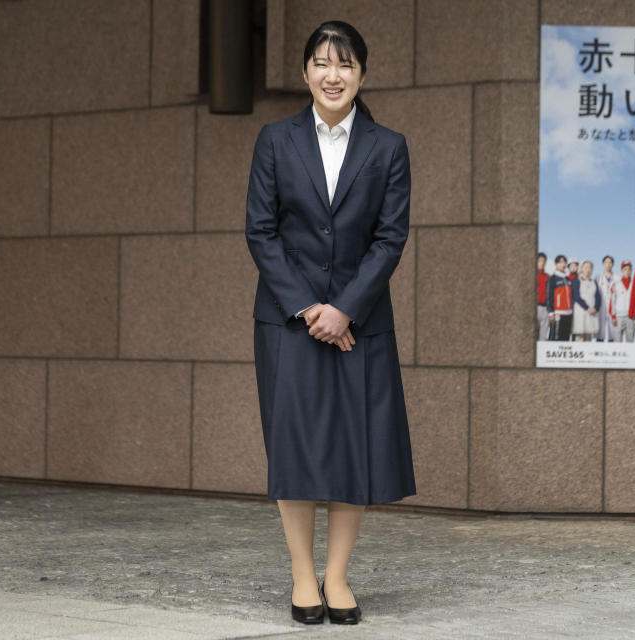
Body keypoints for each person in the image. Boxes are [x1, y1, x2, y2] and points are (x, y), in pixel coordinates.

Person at [245, 20, 415, 625]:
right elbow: (261, 232)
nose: (332, 74)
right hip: (288, 322)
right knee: (294, 448)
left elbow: (389, 239)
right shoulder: (275, 139)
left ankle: (338, 578)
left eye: (344, 64)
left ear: (361, 73)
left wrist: (346, 307)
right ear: (305, 73)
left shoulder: (387, 146)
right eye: (321, 62)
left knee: (354, 449)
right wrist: (312, 308)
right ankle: (301, 577)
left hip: (360, 324)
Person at [571, 260, 601, 341]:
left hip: (592, 313)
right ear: (582, 269)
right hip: (581, 312)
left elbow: (598, 297)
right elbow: (576, 297)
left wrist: (595, 308)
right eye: (586, 267)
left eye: (590, 268)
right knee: (579, 337)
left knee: (588, 337)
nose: (588, 270)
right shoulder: (577, 281)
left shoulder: (594, 282)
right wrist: (587, 308)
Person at [546, 254, 573, 341]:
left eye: (564, 262)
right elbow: (549, 296)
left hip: (568, 313)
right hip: (558, 313)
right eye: (560, 262)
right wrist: (551, 312)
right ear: (556, 264)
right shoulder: (552, 278)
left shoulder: (568, 279)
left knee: (566, 338)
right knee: (555, 338)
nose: (563, 264)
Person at [611, 260, 635, 342]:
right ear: (621, 271)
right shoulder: (616, 284)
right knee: (617, 342)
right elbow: (612, 302)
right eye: (625, 269)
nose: (627, 271)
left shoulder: (634, 284)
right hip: (619, 317)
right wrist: (613, 316)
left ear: (631, 271)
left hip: (631, 317)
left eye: (629, 269)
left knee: (630, 340)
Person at [595, 255, 616, 342]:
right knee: (600, 331)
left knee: (612, 331)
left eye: (610, 262)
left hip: (613, 308)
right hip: (601, 307)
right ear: (602, 264)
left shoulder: (617, 278)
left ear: (613, 264)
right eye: (606, 262)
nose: (608, 264)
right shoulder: (598, 278)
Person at [536, 252, 550, 340]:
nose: (542, 263)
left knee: (543, 334)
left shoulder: (548, 276)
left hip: (545, 308)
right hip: (535, 307)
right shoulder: (532, 274)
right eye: (540, 260)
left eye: (544, 261)